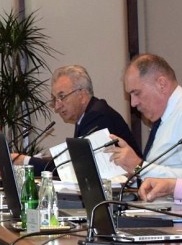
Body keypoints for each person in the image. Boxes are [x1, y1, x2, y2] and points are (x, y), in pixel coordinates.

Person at [12, 65, 140, 173]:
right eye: (55, 99)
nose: (57, 106)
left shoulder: (97, 116)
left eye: (62, 97)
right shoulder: (87, 115)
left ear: (82, 95)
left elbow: (74, 168)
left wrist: (25, 161)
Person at [107, 54, 182, 179]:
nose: (133, 103)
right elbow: (152, 170)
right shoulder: (165, 117)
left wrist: (138, 166)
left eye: (137, 93)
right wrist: (133, 171)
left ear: (161, 84)